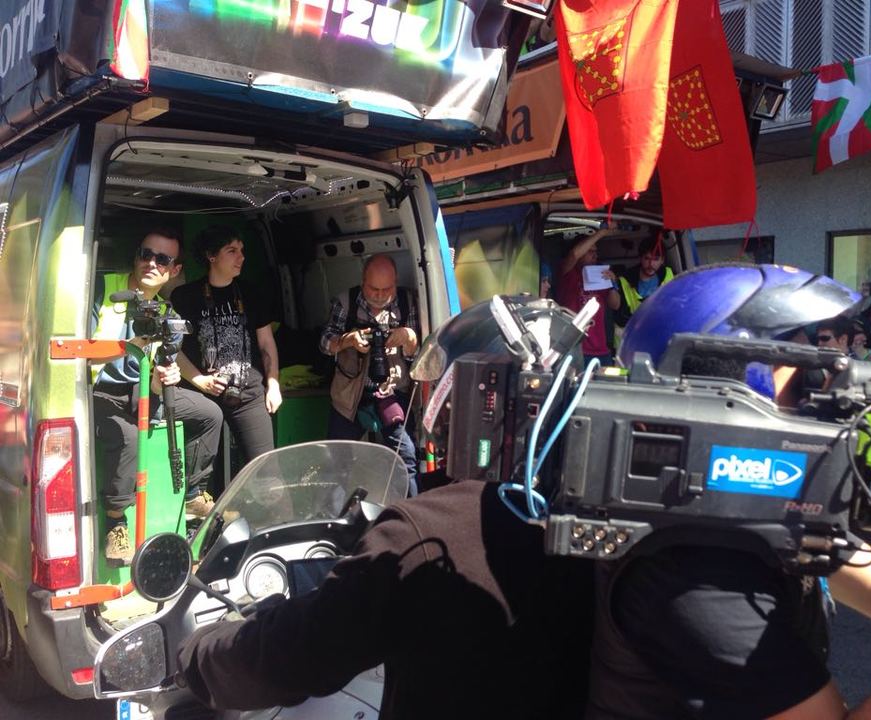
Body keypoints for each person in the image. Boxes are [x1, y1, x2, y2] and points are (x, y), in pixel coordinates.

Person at [176, 301, 597, 718]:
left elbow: (301, 654)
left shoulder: (425, 534)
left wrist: (197, 654)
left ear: (480, 400)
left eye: (448, 397)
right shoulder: (603, 529)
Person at [595, 264, 871, 719]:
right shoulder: (690, 575)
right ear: (739, 383)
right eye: (806, 372)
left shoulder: (750, 501)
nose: (825, 390)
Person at [92, 229, 223, 564]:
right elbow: (81, 354)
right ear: (136, 256)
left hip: (140, 391)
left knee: (209, 414)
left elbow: (158, 377)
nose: (151, 263)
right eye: (146, 254)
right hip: (97, 390)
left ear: (174, 270)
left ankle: (192, 494)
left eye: (162, 259)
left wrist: (167, 377)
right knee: (129, 436)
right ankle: (116, 523)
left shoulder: (167, 314)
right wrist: (130, 347)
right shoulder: (101, 289)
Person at [171, 226, 282, 480]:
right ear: (211, 256)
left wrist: (274, 385)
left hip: (248, 394)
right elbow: (172, 348)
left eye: (241, 250)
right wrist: (199, 380)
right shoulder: (184, 297)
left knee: (267, 473)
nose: (241, 257)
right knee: (200, 477)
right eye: (231, 251)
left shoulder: (251, 293)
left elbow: (266, 344)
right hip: (202, 397)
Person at [319, 254, 420, 495]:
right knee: (336, 463)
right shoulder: (345, 303)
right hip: (349, 396)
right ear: (363, 281)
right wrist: (348, 340)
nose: (380, 295)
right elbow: (324, 343)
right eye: (374, 289)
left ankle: (410, 511)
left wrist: (408, 338)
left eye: (387, 289)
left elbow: (420, 359)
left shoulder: (408, 303)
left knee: (406, 458)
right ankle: (334, 512)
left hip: (392, 393)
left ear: (396, 282)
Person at [555, 227, 618, 365]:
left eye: (595, 252)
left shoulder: (599, 275)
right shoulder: (568, 274)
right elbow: (574, 255)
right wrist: (602, 233)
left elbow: (615, 305)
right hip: (575, 348)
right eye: (589, 251)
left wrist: (613, 284)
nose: (594, 255)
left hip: (601, 350)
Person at [609, 235, 674, 341]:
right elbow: (614, 306)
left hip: (661, 336)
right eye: (647, 258)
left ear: (662, 260)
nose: (651, 264)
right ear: (641, 258)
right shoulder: (625, 279)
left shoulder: (669, 274)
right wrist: (612, 284)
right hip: (630, 340)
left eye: (656, 259)